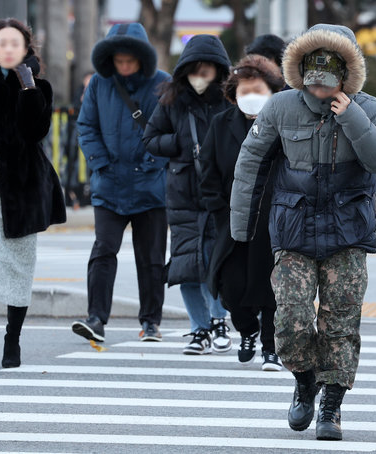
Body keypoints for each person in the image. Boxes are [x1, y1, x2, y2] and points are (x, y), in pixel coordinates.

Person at [230, 24, 376, 440]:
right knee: (290, 320)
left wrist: (353, 116)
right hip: (294, 230)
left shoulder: (372, 110)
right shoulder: (280, 107)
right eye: (313, 83)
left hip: (348, 232)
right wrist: (241, 227)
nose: (319, 92)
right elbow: (250, 161)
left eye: (328, 84)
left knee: (341, 324)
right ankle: (305, 381)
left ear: (347, 75)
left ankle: (332, 406)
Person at [0, 18, 66, 370]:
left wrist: (29, 88)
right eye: (0, 43)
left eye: (14, 43)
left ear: (25, 49)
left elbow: (35, 131)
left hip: (26, 189)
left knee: (20, 269)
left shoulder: (38, 86)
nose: (7, 49)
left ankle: (13, 341)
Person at [72, 23, 170, 343]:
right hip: (109, 183)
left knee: (152, 256)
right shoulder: (100, 84)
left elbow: (172, 132)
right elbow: (86, 126)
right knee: (103, 251)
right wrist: (100, 163)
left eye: (130, 60)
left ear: (142, 57)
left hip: (150, 185)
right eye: (119, 60)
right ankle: (96, 319)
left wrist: (152, 164)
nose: (124, 66)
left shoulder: (162, 84)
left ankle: (151, 322)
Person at [142, 34, 232, 355]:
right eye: (195, 69)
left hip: (218, 194)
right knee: (185, 265)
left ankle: (220, 320)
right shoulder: (172, 101)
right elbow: (151, 139)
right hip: (182, 194)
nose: (200, 76)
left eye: (207, 70)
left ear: (219, 71)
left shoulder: (229, 101)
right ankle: (199, 329)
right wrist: (179, 144)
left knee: (214, 261)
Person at [200, 55, 285, 370]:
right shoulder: (221, 125)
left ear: (273, 92)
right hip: (232, 219)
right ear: (233, 94)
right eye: (244, 90)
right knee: (231, 288)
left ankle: (270, 347)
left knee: (273, 288)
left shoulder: (283, 123)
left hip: (275, 219)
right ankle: (247, 329)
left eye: (258, 89)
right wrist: (221, 212)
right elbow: (207, 174)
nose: (251, 96)